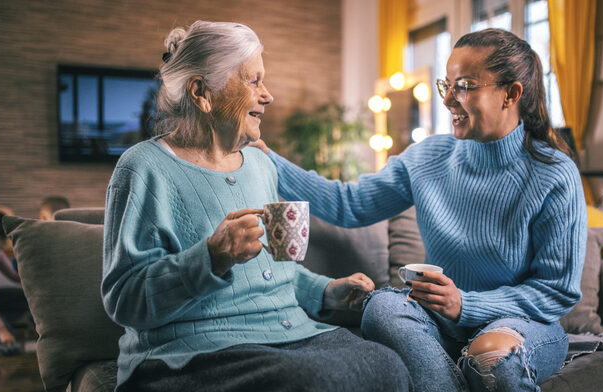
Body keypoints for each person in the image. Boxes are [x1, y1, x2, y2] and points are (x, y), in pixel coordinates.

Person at [253, 28, 587, 391]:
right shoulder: (427, 157)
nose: (448, 99)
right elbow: (349, 205)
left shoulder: (554, 173)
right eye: (447, 85)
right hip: (441, 320)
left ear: (511, 94)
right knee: (381, 307)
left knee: (492, 359)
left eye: (464, 85)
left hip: (520, 322)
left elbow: (556, 291)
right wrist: (269, 160)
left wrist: (466, 304)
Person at [102, 21, 411, 392]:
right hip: (192, 351)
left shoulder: (261, 165)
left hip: (291, 333)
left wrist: (328, 291)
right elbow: (123, 299)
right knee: (319, 381)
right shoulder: (143, 168)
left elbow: (277, 272)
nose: (268, 96)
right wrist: (210, 258)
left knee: (389, 366)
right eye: (253, 81)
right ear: (202, 92)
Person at [0, 210, 28, 350]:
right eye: (3, 239)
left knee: (26, 297)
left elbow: (15, 277)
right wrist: (1, 330)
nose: (5, 243)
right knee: (4, 338)